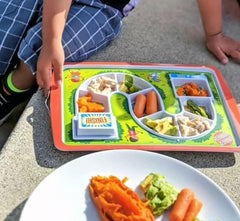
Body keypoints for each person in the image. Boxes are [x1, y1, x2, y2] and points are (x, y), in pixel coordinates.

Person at [0, 0, 240, 126]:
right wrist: (52, 36)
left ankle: (8, 91)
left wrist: (214, 34)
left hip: (100, 4)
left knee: (46, 51)